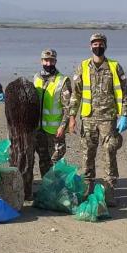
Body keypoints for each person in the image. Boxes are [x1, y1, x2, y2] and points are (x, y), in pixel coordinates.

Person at [68, 33, 127, 206]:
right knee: (87, 155)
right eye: (95, 43)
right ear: (90, 46)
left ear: (105, 46)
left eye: (101, 43)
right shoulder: (82, 67)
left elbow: (123, 93)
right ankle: (87, 191)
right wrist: (72, 117)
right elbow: (76, 94)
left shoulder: (114, 67)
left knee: (109, 154)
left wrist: (124, 114)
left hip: (108, 119)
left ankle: (109, 192)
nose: (98, 46)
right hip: (88, 119)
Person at [33, 48, 71, 176]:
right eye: (46, 60)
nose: (48, 64)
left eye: (51, 61)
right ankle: (46, 188)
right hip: (39, 129)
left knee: (55, 160)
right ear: (41, 61)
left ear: (55, 61)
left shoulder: (62, 81)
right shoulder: (36, 78)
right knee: (43, 160)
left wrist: (62, 127)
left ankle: (57, 190)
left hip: (55, 130)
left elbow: (68, 108)